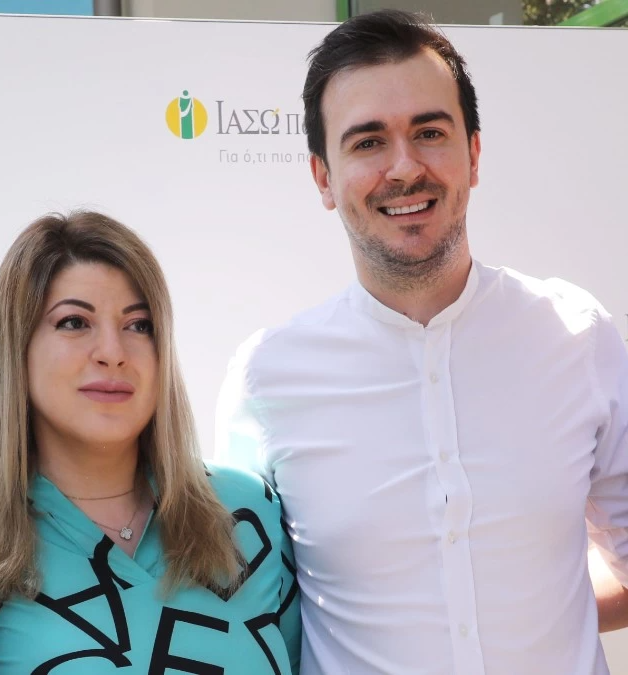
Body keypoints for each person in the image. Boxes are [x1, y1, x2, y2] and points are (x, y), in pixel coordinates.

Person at [215, 9, 628, 674]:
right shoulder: (266, 379)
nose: (405, 168)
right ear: (323, 177)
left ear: (474, 154)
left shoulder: (576, 336)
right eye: (368, 142)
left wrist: (555, 608)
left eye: (429, 132)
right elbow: (249, 614)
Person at [0, 211, 299, 674]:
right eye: (74, 322)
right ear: (16, 347)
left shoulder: (249, 511)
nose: (112, 352)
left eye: (139, 325)